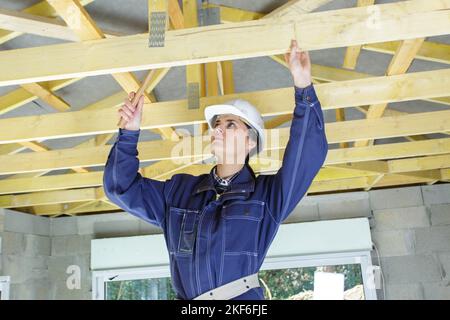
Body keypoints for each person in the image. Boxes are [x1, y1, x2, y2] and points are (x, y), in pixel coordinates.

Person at [103, 39, 328, 300]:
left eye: (231, 124)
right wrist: (128, 134)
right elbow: (121, 188)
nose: (218, 128)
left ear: (251, 141)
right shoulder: (179, 192)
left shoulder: (267, 197)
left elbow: (308, 154)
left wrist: (304, 89)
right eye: (217, 123)